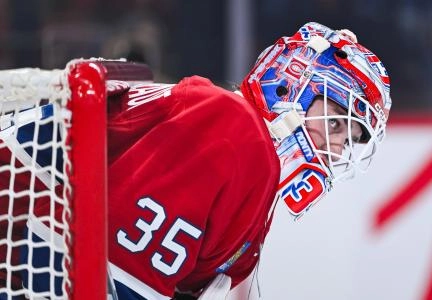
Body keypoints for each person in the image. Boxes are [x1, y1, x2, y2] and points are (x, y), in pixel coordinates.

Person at [0, 22, 391, 300]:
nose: (338, 147)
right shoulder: (233, 127)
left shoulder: (254, 171)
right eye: (337, 121)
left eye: (351, 137)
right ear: (290, 82)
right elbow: (108, 270)